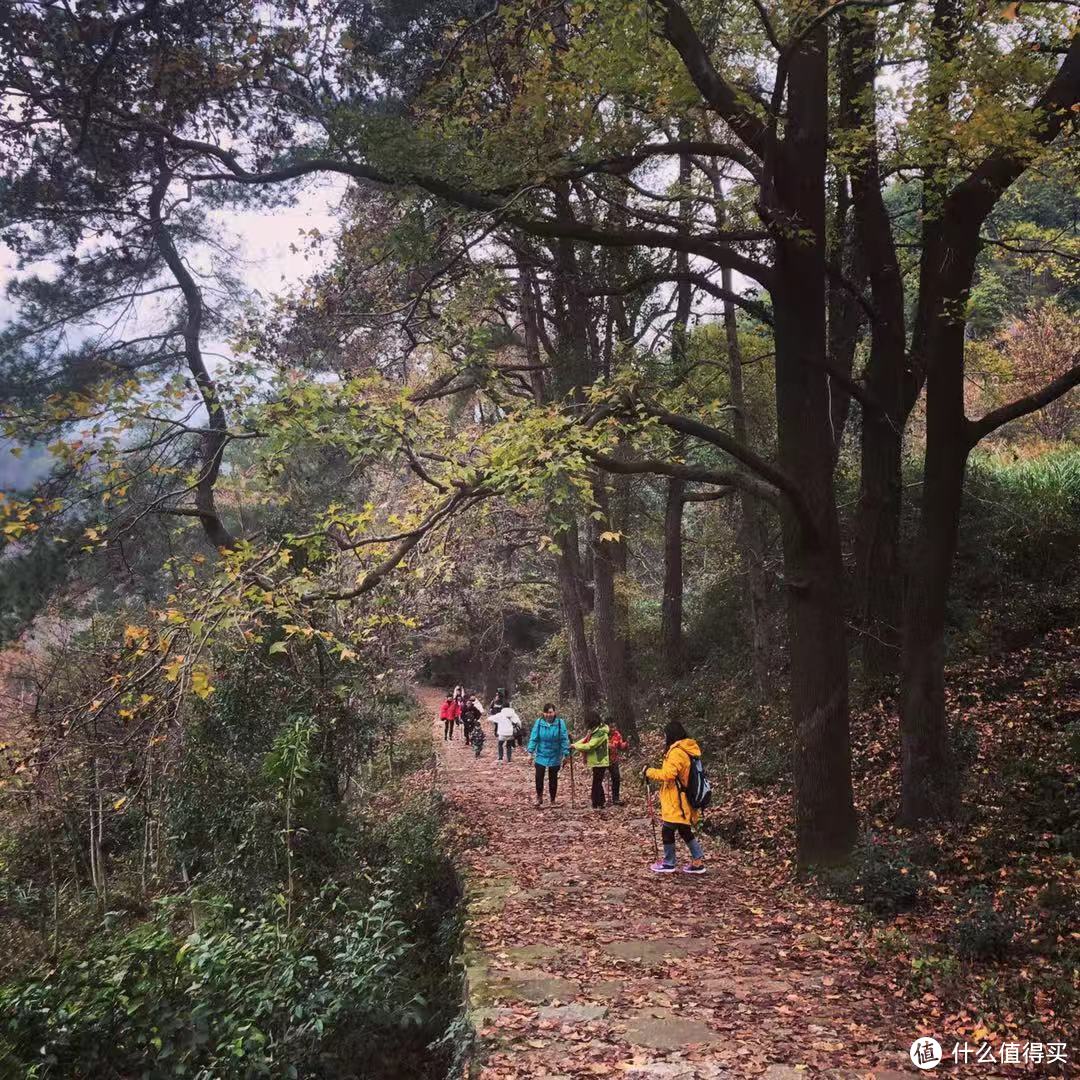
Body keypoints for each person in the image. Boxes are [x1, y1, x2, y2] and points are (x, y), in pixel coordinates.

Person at [643, 720, 706, 875]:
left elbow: (668, 774)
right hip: (682, 798)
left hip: (676, 800)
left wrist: (649, 772)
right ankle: (697, 861)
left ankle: (669, 863)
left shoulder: (677, 752)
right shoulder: (687, 749)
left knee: (667, 830)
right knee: (684, 830)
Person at [527, 703, 570, 807]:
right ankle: (539, 797)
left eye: (550, 712)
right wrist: (530, 753)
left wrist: (566, 754)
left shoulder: (560, 723)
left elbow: (564, 739)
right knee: (539, 776)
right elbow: (534, 737)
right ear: (543, 713)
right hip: (541, 754)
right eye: (546, 712)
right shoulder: (539, 722)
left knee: (553, 778)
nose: (548, 715)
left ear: (554, 712)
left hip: (555, 754)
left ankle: (552, 800)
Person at [572, 715, 610, 809]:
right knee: (597, 781)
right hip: (596, 761)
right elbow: (584, 740)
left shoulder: (600, 733)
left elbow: (590, 745)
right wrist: (574, 745)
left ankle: (597, 802)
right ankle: (599, 802)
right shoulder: (593, 731)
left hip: (600, 761)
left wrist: (575, 747)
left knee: (596, 782)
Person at [607, 719, 629, 806]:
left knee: (616, 778)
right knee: (601, 779)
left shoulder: (617, 734)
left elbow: (620, 746)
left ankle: (615, 799)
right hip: (603, 760)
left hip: (613, 760)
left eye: (614, 727)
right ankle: (601, 799)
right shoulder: (603, 734)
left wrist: (626, 743)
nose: (613, 729)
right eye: (611, 727)